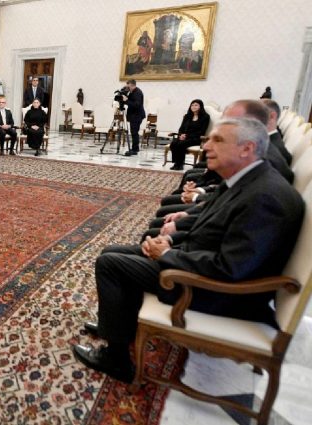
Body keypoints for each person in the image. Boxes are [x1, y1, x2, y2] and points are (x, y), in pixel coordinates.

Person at [72, 117, 305, 383]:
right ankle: (118, 326)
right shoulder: (247, 180)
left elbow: (231, 268)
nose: (206, 146)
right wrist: (170, 243)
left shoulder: (265, 198)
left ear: (246, 148)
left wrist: (168, 255)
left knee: (110, 265)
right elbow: (212, 225)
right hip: (196, 261)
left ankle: (116, 360)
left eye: (218, 140)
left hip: (214, 290)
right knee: (111, 251)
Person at [168, 99, 210, 170]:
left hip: (196, 138)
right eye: (192, 105)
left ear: (200, 106)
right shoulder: (187, 116)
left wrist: (186, 136)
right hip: (185, 137)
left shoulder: (205, 117)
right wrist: (181, 135)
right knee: (174, 143)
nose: (193, 107)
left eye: (196, 105)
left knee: (181, 144)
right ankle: (176, 163)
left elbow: (201, 132)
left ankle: (180, 164)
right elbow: (181, 128)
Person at [122, 79, 145, 156]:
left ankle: (135, 149)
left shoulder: (137, 92)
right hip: (134, 115)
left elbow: (136, 105)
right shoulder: (133, 92)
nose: (127, 88)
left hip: (137, 115)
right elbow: (130, 102)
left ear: (132, 85)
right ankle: (135, 148)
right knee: (133, 132)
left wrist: (126, 100)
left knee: (134, 132)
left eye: (128, 86)